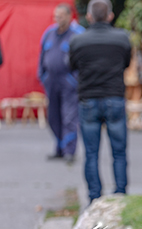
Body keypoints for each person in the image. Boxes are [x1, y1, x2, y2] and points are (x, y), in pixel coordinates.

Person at [69, 0, 132, 203]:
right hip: (114, 97)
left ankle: (94, 197)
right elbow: (127, 63)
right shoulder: (122, 38)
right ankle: (120, 194)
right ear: (110, 16)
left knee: (91, 153)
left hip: (88, 99)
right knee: (119, 152)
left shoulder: (78, 41)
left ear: (88, 17)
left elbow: (72, 66)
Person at [38, 3, 85, 162]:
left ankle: (69, 151)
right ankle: (59, 147)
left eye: (60, 16)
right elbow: (42, 56)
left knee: (69, 117)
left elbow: (84, 60)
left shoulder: (78, 34)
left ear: (69, 16)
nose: (57, 19)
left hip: (69, 82)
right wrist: (42, 76)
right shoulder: (49, 33)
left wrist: (76, 80)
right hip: (51, 81)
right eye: (55, 16)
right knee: (53, 117)